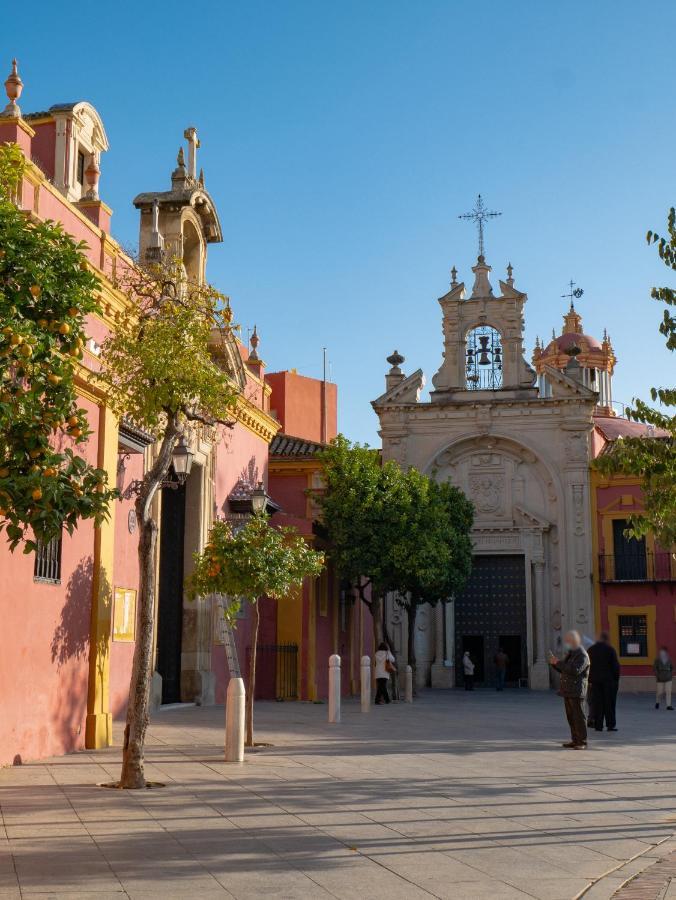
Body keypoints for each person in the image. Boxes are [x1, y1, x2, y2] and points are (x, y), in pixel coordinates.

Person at [548, 631, 590, 749]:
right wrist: (554, 664)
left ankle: (582, 742)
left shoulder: (582, 655)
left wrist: (558, 663)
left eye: (568, 641)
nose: (566, 643)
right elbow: (564, 669)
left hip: (577, 691)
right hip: (568, 690)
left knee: (579, 717)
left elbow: (575, 670)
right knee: (571, 717)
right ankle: (575, 740)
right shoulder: (571, 654)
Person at [588, 632, 620, 731]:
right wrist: (616, 679)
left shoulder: (591, 650)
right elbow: (615, 666)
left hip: (595, 681)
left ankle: (598, 725)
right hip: (608, 681)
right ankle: (610, 725)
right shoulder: (610, 650)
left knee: (597, 703)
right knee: (609, 704)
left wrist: (589, 679)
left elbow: (587, 665)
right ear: (606, 639)